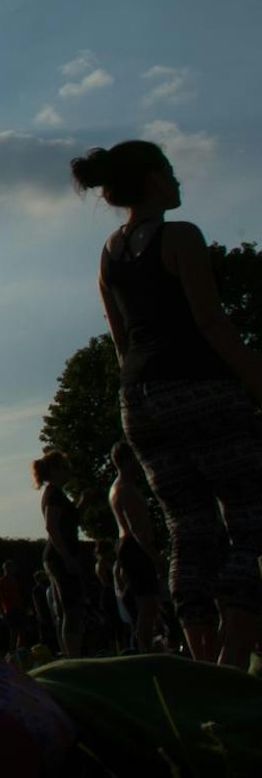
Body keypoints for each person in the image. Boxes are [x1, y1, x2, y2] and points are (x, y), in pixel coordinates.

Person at [73, 139, 262, 667]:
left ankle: (200, 661)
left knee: (188, 530)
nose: (178, 182)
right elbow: (211, 322)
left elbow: (119, 342)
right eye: (171, 172)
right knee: (250, 519)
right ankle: (235, 658)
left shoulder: (109, 253)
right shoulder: (181, 237)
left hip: (139, 400)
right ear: (154, 179)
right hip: (201, 387)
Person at [108, 440, 167, 653]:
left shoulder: (118, 488)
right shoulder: (125, 490)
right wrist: (154, 555)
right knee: (147, 604)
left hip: (130, 547)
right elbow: (136, 528)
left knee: (148, 604)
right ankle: (146, 649)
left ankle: (148, 645)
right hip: (136, 548)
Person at [32, 453, 89, 657]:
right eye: (64, 467)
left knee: (68, 607)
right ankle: (72, 655)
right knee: (70, 606)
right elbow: (52, 526)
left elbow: (68, 521)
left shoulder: (57, 495)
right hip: (60, 557)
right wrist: (66, 557)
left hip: (61, 556)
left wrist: (81, 502)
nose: (68, 472)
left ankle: (71, 653)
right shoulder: (54, 495)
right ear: (54, 470)